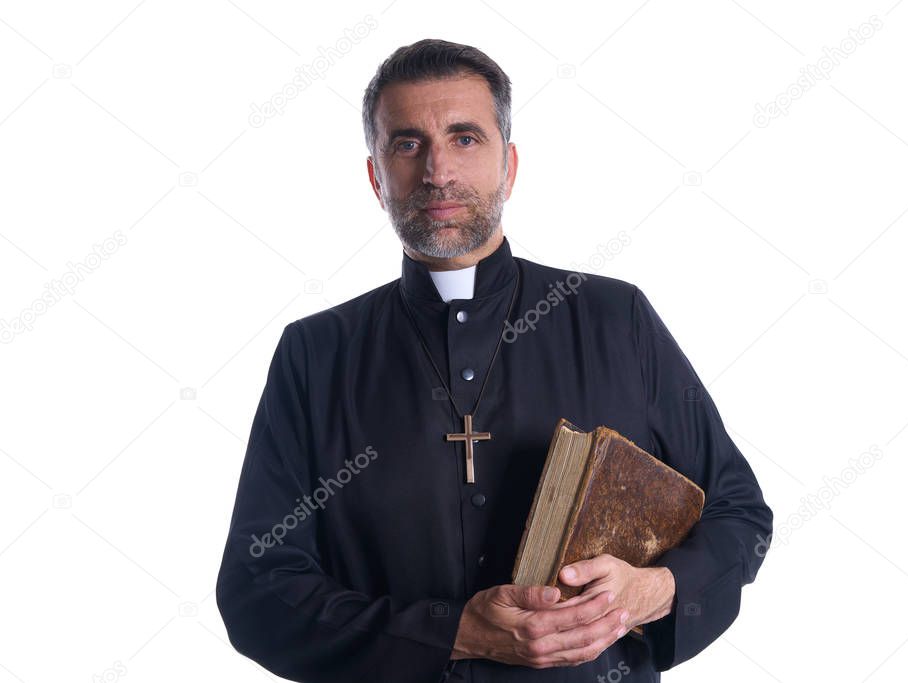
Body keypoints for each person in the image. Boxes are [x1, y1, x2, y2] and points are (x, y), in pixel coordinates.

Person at [216, 38, 773, 682]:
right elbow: (258, 588)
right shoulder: (316, 354)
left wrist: (653, 590)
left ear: (509, 166)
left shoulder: (615, 318)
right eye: (406, 144)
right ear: (375, 176)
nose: (437, 172)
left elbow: (740, 515)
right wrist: (453, 634)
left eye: (465, 138)